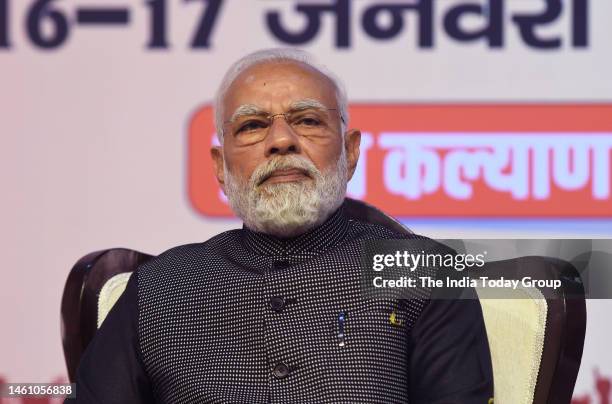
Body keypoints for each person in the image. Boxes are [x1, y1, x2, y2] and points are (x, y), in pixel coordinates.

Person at [68, 48, 493, 403]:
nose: (281, 140)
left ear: (350, 152)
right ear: (220, 166)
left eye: (307, 120)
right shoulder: (161, 288)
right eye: (252, 126)